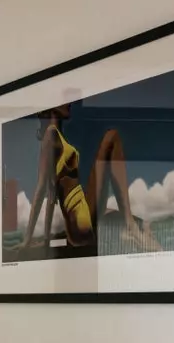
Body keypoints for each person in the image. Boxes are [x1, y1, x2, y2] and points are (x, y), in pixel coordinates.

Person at [15, 104, 160, 254]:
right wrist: (27, 241)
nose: (69, 104)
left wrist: (47, 240)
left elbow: (51, 196)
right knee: (111, 137)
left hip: (81, 217)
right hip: (80, 224)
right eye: (64, 102)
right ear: (52, 107)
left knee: (114, 212)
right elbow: (41, 190)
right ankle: (130, 226)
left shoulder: (57, 136)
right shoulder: (50, 136)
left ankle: (131, 225)